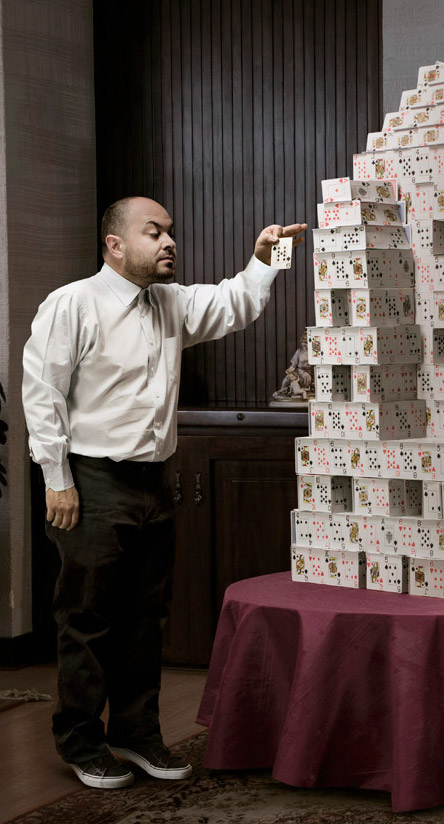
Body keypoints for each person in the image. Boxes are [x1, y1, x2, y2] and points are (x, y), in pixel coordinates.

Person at [22, 197, 306, 789]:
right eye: (153, 232)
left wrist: (271, 254)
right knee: (86, 618)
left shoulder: (170, 304)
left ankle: (137, 733)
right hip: (92, 480)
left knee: (145, 618)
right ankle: (80, 741)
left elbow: (237, 303)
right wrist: (57, 479)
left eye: (170, 232)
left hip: (155, 481)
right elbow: (43, 393)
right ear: (115, 244)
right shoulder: (73, 303)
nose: (169, 242)